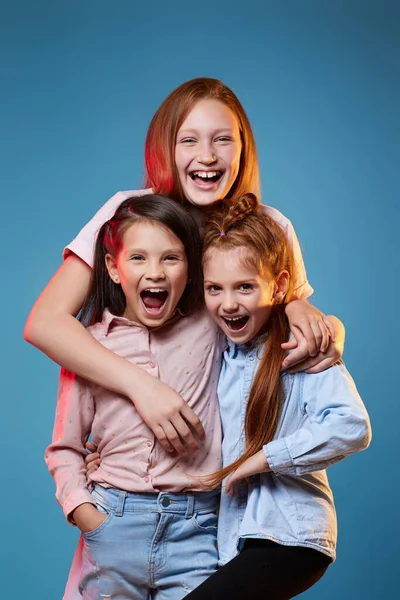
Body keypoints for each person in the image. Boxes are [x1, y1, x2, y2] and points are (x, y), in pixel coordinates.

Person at [25, 77, 345, 462]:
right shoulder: (131, 214)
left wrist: (302, 310)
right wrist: (141, 388)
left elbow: (292, 336)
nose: (207, 156)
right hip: (136, 468)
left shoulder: (270, 227)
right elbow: (44, 322)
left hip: (218, 477)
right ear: (166, 148)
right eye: (189, 140)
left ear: (244, 149)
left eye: (223, 140)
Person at [182, 194, 371, 599]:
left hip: (291, 535)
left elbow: (351, 425)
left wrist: (264, 460)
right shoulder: (221, 353)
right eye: (215, 288)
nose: (228, 302)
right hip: (238, 537)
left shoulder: (299, 349)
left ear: (280, 284)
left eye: (245, 287)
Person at [46, 194, 227, 599]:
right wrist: (86, 513)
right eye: (139, 258)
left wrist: (307, 309)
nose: (156, 272)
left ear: (191, 268)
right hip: (114, 522)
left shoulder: (212, 327)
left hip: (196, 530)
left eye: (171, 258)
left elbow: (262, 302)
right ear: (113, 268)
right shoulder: (89, 347)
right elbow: (64, 448)